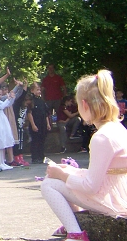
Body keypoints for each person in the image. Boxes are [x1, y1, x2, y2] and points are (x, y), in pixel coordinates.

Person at [41, 70, 127, 241]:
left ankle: (75, 232)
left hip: (113, 201)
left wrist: (63, 175)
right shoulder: (117, 128)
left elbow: (91, 187)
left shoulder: (101, 138)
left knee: (48, 184)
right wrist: (72, 171)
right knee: (64, 176)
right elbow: (106, 172)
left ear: (84, 105)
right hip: (118, 193)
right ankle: (77, 222)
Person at [27, 82, 51, 164]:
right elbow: (29, 113)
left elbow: (46, 113)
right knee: (35, 141)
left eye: (39, 90)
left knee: (42, 140)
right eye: (37, 90)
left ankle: (41, 156)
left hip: (42, 123)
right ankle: (35, 157)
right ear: (32, 90)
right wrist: (33, 125)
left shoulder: (42, 101)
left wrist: (48, 124)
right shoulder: (31, 101)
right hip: (35, 123)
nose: (39, 91)